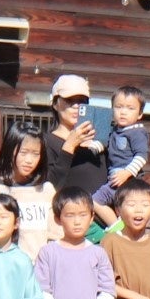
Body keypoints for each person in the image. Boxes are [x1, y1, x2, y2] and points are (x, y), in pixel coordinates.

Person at [0, 120, 57, 256]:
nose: (29, 160)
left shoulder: (46, 190)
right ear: (10, 150)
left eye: (35, 154)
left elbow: (55, 234)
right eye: (23, 152)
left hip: (40, 266)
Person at [42, 74, 109, 206]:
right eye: (69, 100)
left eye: (81, 101)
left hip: (104, 216)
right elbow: (49, 187)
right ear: (55, 104)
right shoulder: (46, 142)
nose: (76, 106)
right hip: (69, 214)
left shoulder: (98, 140)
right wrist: (69, 146)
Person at [95, 85, 150, 210]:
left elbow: (141, 157)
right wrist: (91, 146)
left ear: (140, 114)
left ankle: (113, 221)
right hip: (114, 178)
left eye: (130, 108)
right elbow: (103, 144)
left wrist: (126, 173)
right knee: (118, 208)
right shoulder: (113, 130)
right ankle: (117, 221)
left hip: (128, 180)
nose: (123, 112)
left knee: (95, 201)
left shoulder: (137, 132)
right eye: (118, 107)